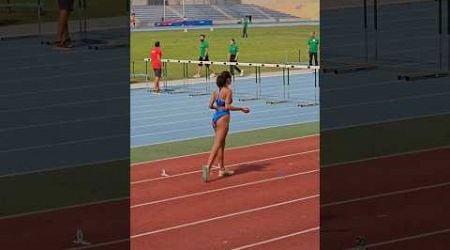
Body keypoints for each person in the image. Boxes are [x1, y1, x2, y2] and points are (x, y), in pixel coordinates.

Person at [202, 71, 250, 182]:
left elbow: (210, 105)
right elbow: (228, 106)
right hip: (223, 119)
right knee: (217, 144)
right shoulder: (228, 91)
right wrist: (241, 109)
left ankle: (222, 169)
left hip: (215, 118)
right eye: (230, 78)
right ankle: (208, 167)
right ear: (227, 79)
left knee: (221, 144)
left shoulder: (215, 92)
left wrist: (218, 108)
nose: (231, 79)